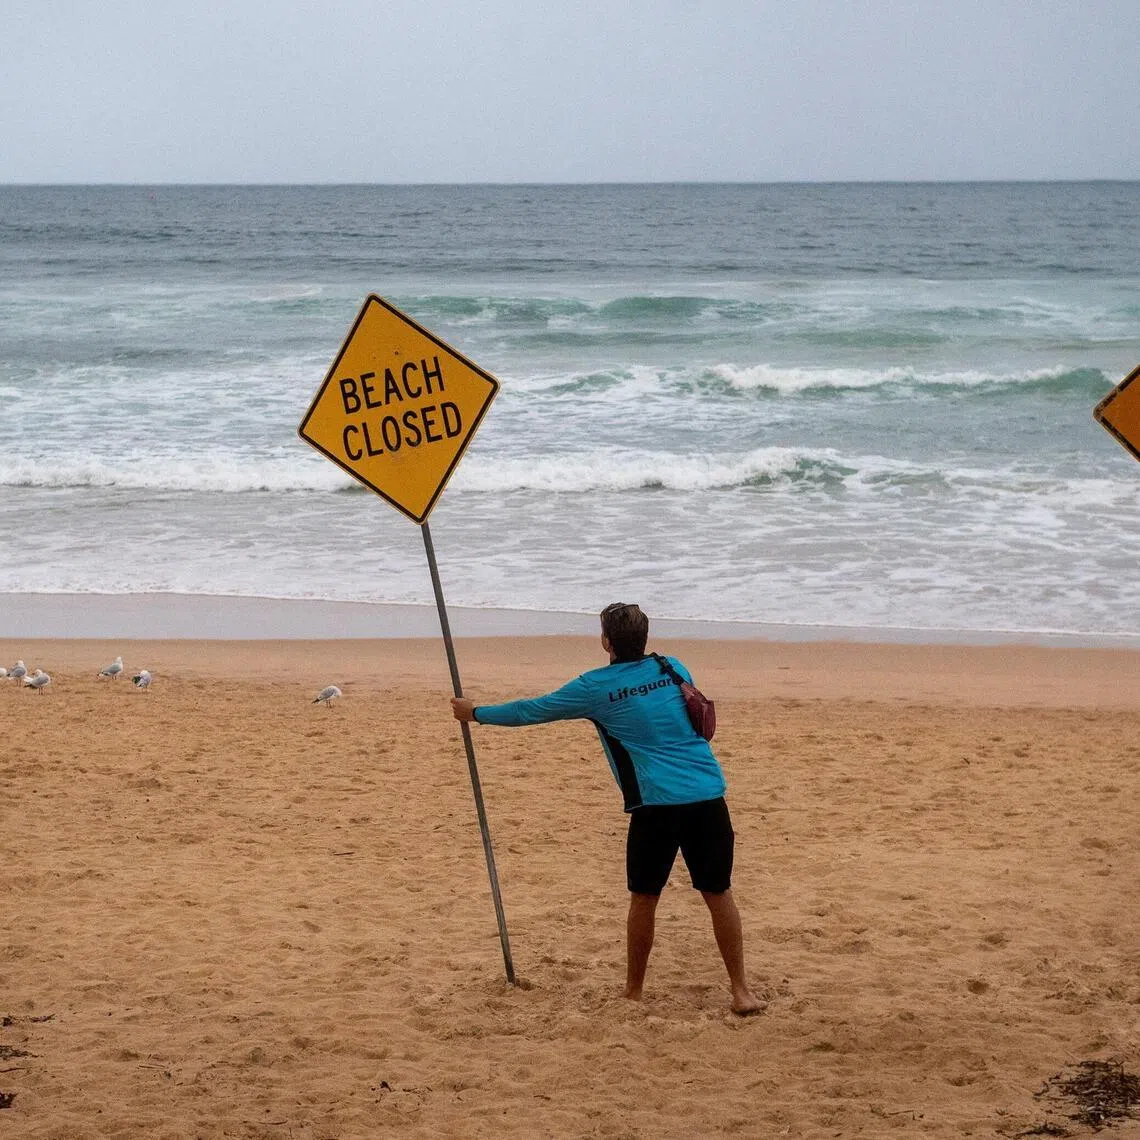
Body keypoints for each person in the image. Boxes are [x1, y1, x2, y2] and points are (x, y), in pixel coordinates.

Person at [450, 602, 763, 1015]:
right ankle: (741, 991)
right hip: (708, 793)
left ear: (606, 641)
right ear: (645, 637)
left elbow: (534, 710)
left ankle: (634, 992)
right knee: (717, 891)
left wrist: (475, 713)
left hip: (657, 805)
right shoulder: (673, 668)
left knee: (644, 896)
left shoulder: (595, 688)